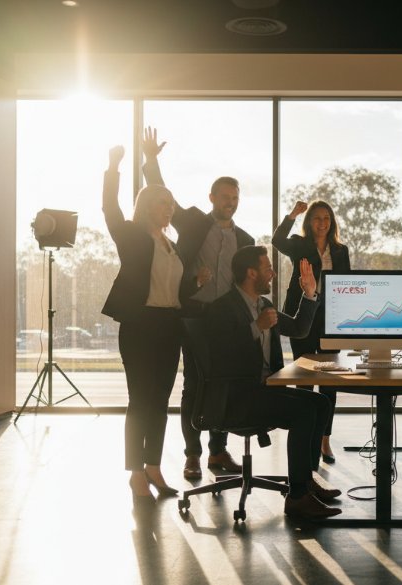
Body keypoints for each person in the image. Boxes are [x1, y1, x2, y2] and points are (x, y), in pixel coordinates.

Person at [141, 127, 250, 481]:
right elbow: (164, 194)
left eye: (234, 197)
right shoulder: (192, 222)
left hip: (228, 323)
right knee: (195, 385)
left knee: (226, 383)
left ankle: (218, 452)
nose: (229, 202)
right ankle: (193, 455)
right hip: (194, 318)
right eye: (223, 197)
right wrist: (152, 160)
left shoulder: (245, 239)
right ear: (212, 197)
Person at [204, 245, 342, 519]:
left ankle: (305, 480)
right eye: (268, 269)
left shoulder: (263, 305)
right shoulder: (222, 308)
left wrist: (309, 294)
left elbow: (299, 329)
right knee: (303, 411)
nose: (273, 274)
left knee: (320, 403)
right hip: (237, 397)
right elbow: (219, 356)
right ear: (251, 273)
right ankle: (297, 497)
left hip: (266, 391)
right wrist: (256, 328)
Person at [101, 145, 185, 499]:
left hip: (170, 325)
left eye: (170, 204)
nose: (169, 209)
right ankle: (135, 471)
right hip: (140, 325)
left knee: (161, 401)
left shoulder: (171, 243)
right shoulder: (133, 236)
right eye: (163, 203)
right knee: (140, 401)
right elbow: (110, 209)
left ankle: (153, 466)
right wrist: (113, 168)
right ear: (148, 206)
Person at [272, 200, 351, 464]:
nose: (322, 223)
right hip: (302, 315)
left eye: (326, 218)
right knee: (304, 377)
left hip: (331, 319)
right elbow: (276, 240)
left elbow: (346, 283)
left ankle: (324, 440)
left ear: (332, 222)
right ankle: (304, 438)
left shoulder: (340, 251)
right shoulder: (299, 244)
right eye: (317, 218)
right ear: (309, 222)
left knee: (329, 380)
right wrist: (292, 215)